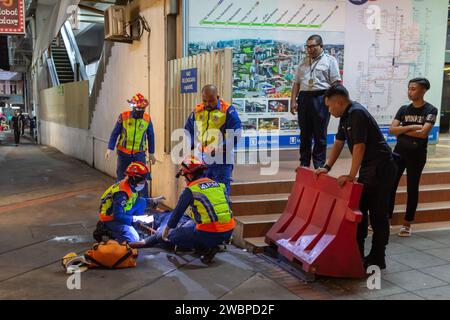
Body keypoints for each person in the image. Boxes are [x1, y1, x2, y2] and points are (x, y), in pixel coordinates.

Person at [315, 84, 397, 269]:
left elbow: (360, 146)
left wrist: (352, 175)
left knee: (377, 213)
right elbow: (338, 142)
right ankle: (358, 254)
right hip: (370, 168)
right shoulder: (345, 117)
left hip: (381, 167)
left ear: (340, 101)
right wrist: (326, 167)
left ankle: (378, 257)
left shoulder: (357, 113)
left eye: (329, 106)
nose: (329, 110)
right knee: (360, 210)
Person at [131, 156, 235, 264]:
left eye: (184, 177)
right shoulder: (219, 185)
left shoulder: (191, 190)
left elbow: (176, 214)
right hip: (228, 231)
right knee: (191, 225)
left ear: (189, 175)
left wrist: (165, 232)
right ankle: (209, 246)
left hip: (208, 233)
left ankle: (205, 247)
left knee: (171, 236)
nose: (185, 180)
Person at [388, 78, 438, 237]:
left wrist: (402, 129)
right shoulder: (403, 109)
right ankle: (385, 220)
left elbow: (423, 133)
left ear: (423, 90)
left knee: (412, 188)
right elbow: (391, 130)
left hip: (417, 155)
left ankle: (407, 224)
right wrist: (411, 127)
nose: (410, 92)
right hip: (398, 153)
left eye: (414, 89)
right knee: (390, 186)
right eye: (409, 88)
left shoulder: (430, 110)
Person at [291, 35, 342, 169]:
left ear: (321, 46)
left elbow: (335, 83)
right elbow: (296, 83)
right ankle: (304, 163)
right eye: (308, 46)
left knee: (320, 133)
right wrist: (293, 101)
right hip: (304, 98)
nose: (310, 49)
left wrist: (334, 102)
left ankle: (319, 165)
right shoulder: (302, 62)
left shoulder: (330, 61)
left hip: (321, 97)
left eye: (313, 46)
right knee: (305, 133)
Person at [184, 85, 242, 196]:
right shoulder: (197, 111)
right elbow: (188, 130)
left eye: (211, 101)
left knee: (221, 192)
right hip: (202, 160)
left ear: (218, 97)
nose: (207, 104)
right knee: (203, 192)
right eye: (204, 100)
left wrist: (221, 147)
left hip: (222, 160)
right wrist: (192, 144)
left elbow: (236, 133)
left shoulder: (228, 111)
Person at [95, 162, 164, 243]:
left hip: (122, 212)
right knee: (134, 239)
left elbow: (134, 201)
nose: (144, 183)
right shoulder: (121, 193)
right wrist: (135, 218)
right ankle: (106, 229)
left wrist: (152, 200)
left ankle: (133, 227)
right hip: (111, 218)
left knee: (141, 202)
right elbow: (117, 215)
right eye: (142, 181)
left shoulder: (131, 184)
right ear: (134, 179)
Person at [105, 93, 156, 197]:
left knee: (142, 178)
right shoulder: (124, 116)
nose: (141, 111)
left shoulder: (147, 119)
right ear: (133, 107)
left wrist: (151, 153)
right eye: (139, 108)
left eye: (143, 109)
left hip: (139, 154)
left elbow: (151, 136)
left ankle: (143, 201)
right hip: (124, 154)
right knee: (121, 178)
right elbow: (115, 133)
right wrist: (109, 148)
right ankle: (120, 198)